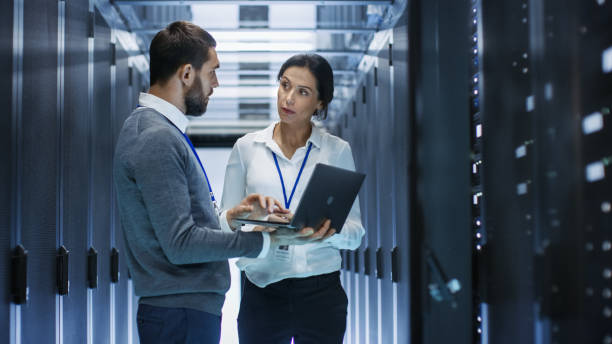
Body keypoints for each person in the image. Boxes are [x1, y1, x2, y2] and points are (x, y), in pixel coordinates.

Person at [113, 22, 330, 344]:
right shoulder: (156, 137)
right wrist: (267, 241)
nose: (216, 83)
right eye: (212, 71)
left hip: (183, 311)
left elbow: (176, 227)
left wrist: (232, 217)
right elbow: (181, 243)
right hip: (180, 313)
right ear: (187, 74)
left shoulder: (160, 131)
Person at [220, 54, 365, 344]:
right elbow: (223, 224)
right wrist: (253, 225)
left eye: (303, 92)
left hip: (321, 294)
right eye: (284, 85)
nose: (288, 98)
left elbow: (355, 234)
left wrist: (326, 233)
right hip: (261, 289)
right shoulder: (246, 148)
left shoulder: (336, 151)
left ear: (320, 103)